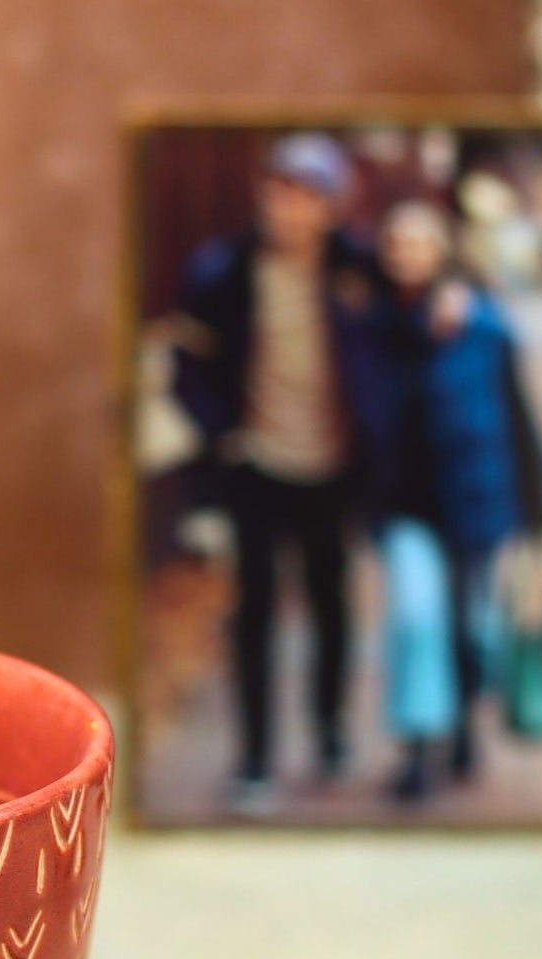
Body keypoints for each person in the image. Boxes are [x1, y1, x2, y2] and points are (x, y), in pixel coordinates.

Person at [172, 134, 385, 814]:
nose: (289, 208)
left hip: (333, 465)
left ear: (330, 207)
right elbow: (188, 361)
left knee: (331, 605)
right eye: (278, 191)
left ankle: (328, 734)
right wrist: (222, 431)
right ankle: (256, 759)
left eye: (306, 196)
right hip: (256, 465)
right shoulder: (223, 271)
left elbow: (409, 322)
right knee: (255, 611)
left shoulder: (358, 269)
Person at [368, 200, 542, 802]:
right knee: (418, 622)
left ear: (442, 249)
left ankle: (466, 723)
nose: (407, 254)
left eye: (420, 242)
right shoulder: (375, 326)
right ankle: (420, 749)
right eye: (397, 243)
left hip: (476, 504)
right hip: (406, 506)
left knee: (472, 628)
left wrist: (536, 511)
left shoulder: (484, 325)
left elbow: (517, 416)